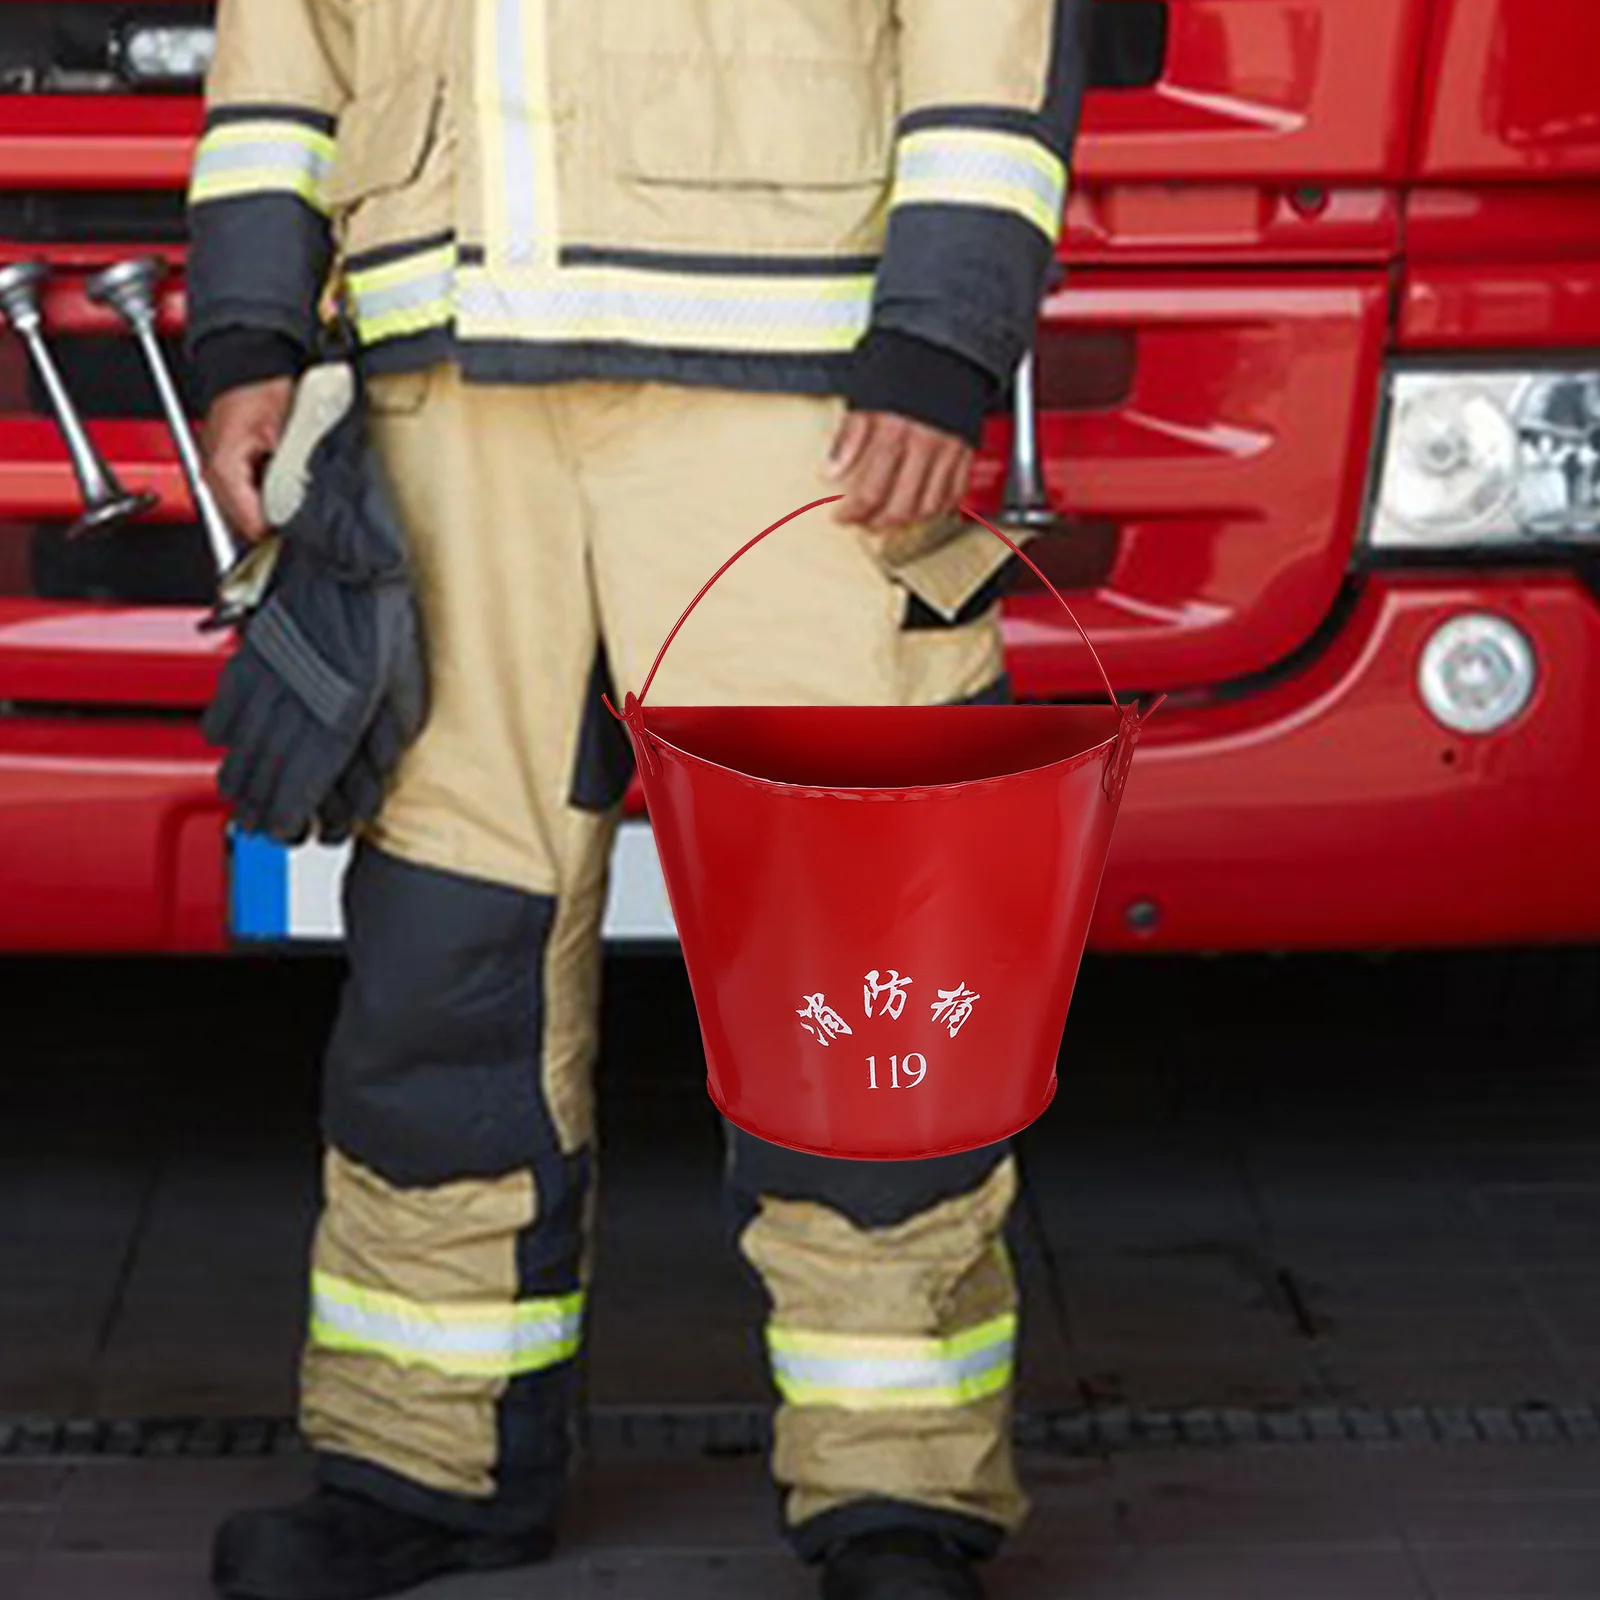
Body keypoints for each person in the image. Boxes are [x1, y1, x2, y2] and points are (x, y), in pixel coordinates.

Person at [188, 3, 1089, 1597]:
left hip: (800, 400)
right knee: (442, 949)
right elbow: (283, 58)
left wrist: (943, 338)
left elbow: (990, 32)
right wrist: (253, 330)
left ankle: (899, 1488)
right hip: (444, 398)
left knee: (855, 950)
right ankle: (423, 1459)